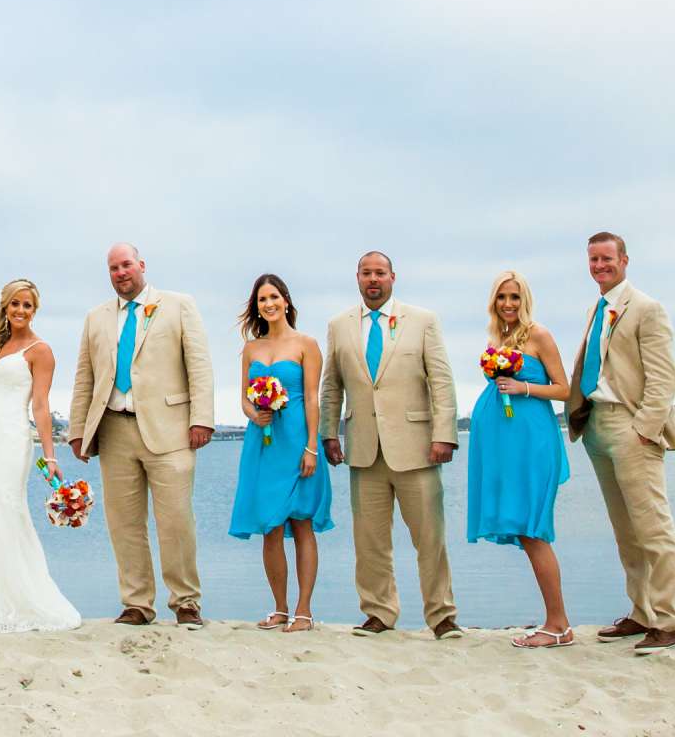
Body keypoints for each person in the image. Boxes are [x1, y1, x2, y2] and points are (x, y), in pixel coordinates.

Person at [67, 242, 214, 627]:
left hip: (171, 430)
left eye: (126, 265)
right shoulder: (95, 318)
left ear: (141, 265)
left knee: (176, 521)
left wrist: (203, 419)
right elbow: (84, 376)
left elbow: (199, 365)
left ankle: (185, 602)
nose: (121, 273)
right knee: (124, 523)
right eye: (113, 268)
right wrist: (78, 429)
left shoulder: (179, 305)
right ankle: (136, 603)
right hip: (113, 428)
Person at [320, 250, 461, 638]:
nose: (373, 280)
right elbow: (331, 385)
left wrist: (444, 434)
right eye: (366, 273)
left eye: (380, 273)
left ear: (393, 277)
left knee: (429, 539)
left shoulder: (423, 321)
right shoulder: (339, 326)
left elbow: (441, 382)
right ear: (357, 277)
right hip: (364, 449)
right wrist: (329, 433)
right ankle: (379, 612)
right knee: (370, 542)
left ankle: (442, 615)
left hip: (417, 447)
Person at [565, 231, 675, 652]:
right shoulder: (597, 308)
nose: (599, 266)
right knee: (626, 531)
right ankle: (642, 613)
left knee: (654, 528)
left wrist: (643, 429)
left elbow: (663, 378)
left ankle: (670, 619)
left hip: (631, 427)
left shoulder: (647, 309)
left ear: (625, 260)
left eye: (606, 259)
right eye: (593, 260)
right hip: (596, 426)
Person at [0, 278, 81, 634]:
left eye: (28, 305)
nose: (20, 310)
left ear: (35, 310)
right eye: (15, 304)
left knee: (8, 509)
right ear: (5, 307)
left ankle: (22, 596)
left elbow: (40, 405)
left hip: (12, 438)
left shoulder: (40, 350)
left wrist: (50, 456)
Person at [467, 270, 575, 648]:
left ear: (524, 299)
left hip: (533, 442)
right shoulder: (499, 339)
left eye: (514, 297)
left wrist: (523, 387)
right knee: (527, 532)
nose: (508, 304)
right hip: (506, 448)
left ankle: (558, 624)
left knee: (534, 530)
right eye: (501, 298)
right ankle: (556, 621)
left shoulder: (539, 335)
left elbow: (565, 389)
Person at [227, 274, 331, 632]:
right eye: (261, 300)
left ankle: (304, 609)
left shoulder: (307, 344)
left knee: (301, 522)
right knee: (270, 526)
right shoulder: (251, 349)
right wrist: (253, 413)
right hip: (263, 441)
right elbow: (242, 397)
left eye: (273, 297)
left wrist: (311, 447)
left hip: (297, 438)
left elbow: (313, 398)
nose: (268, 304)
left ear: (286, 300)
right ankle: (280, 607)